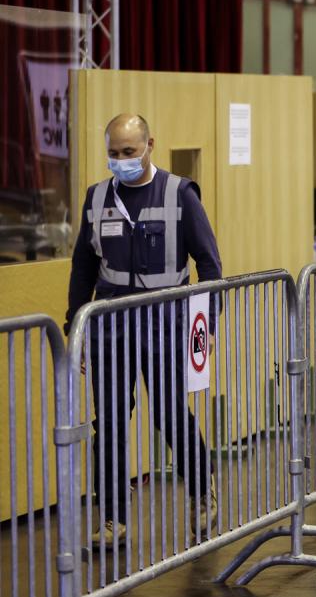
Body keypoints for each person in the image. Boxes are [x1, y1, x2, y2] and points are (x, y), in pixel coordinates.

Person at [66, 114, 221, 546]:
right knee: (110, 422)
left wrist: (205, 322)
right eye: (113, 154)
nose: (120, 161)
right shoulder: (97, 198)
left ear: (150, 144)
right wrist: (75, 326)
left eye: (129, 152)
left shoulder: (179, 194)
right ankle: (113, 518)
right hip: (111, 325)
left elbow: (208, 263)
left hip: (166, 323)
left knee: (169, 416)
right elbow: (83, 267)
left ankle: (201, 486)